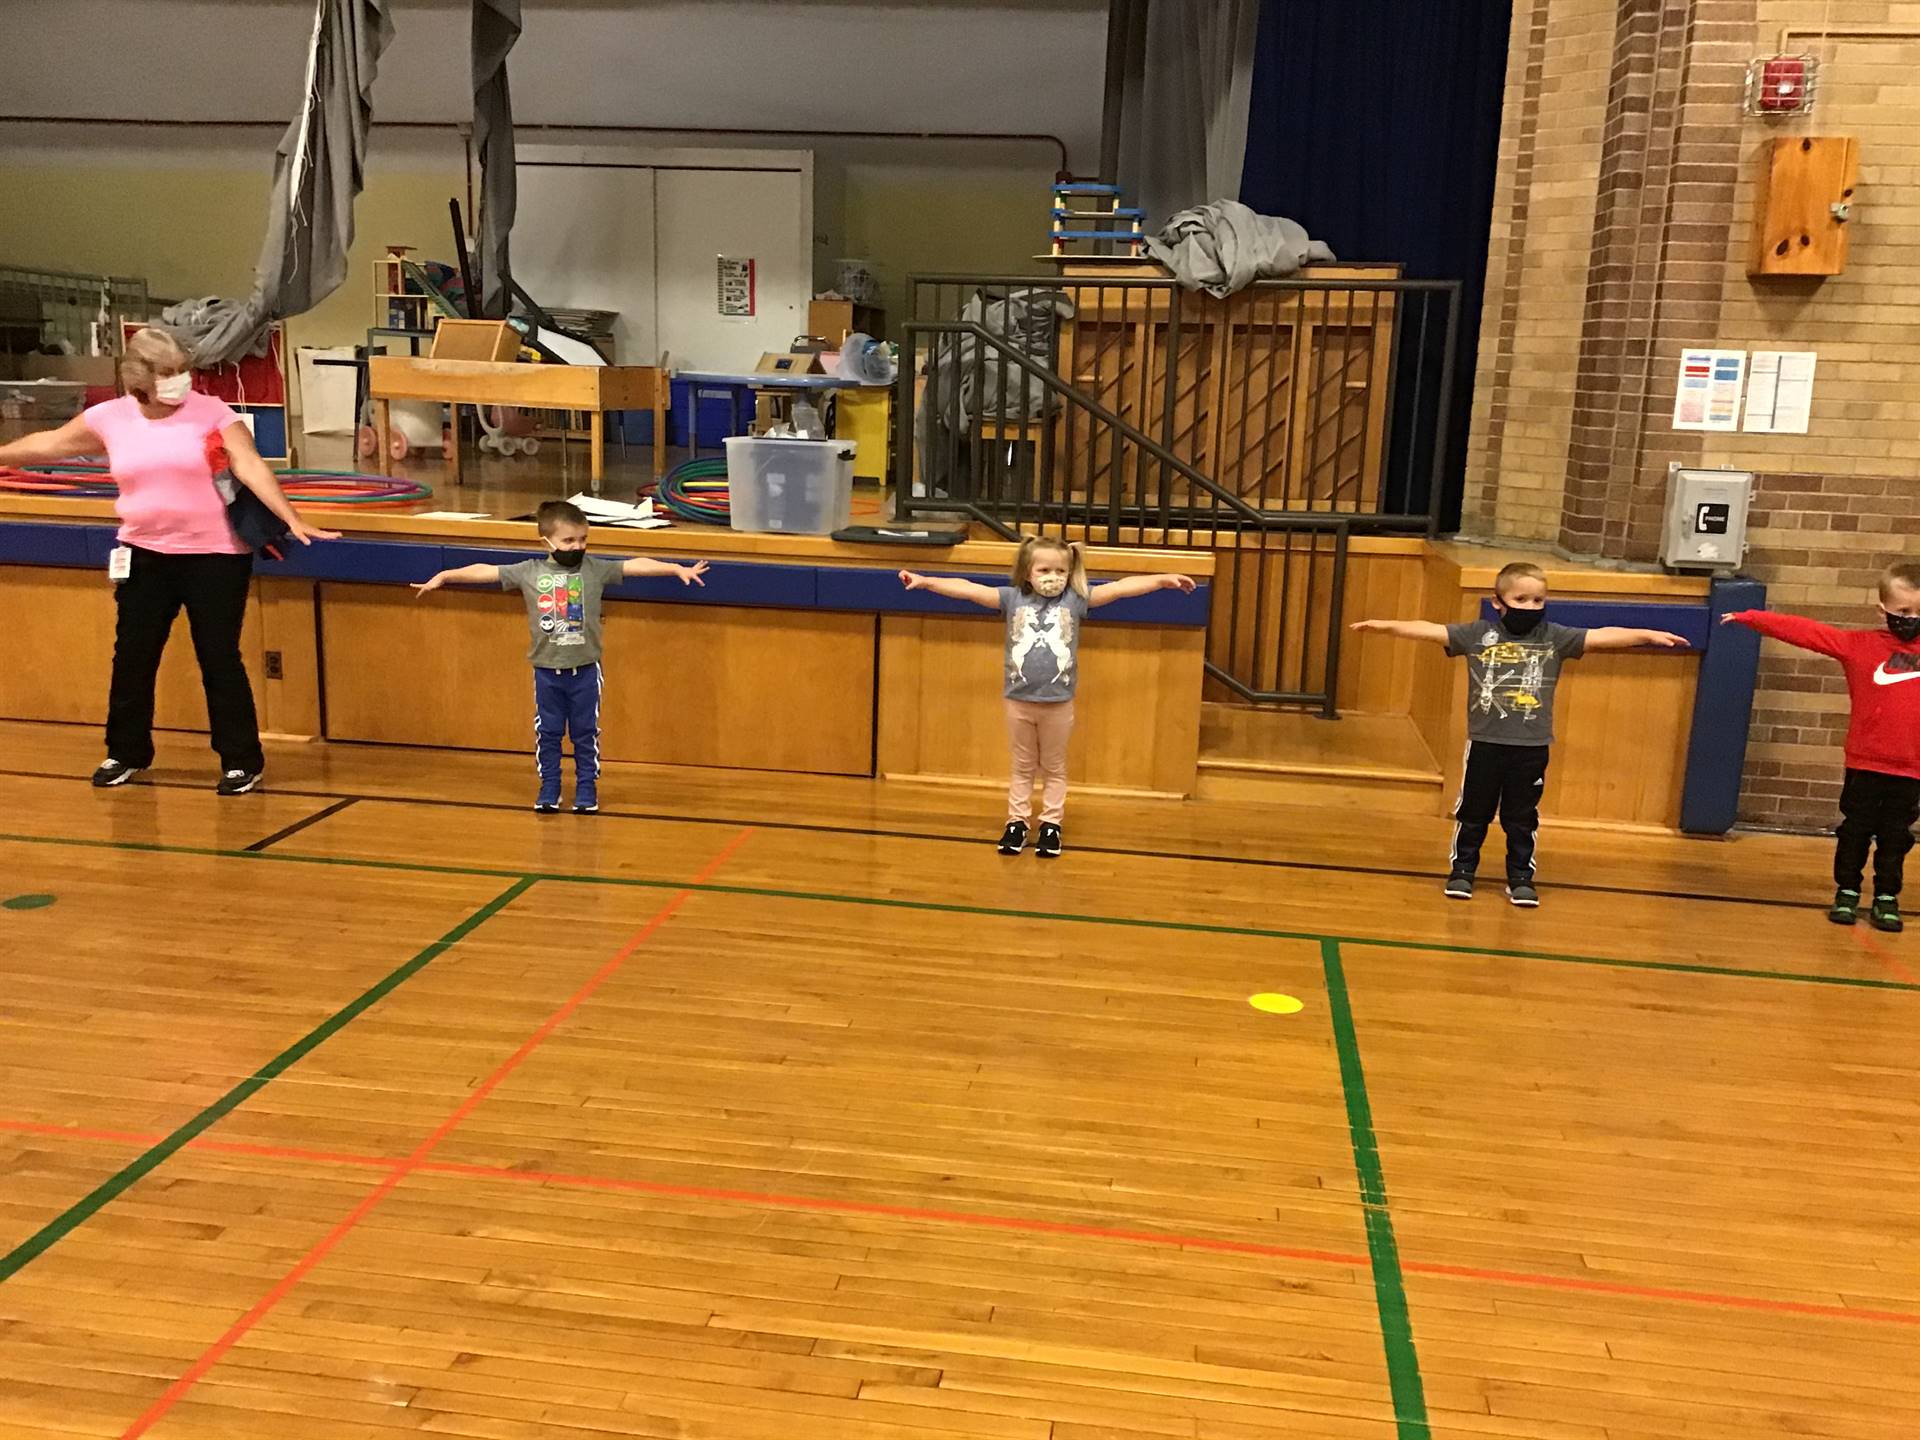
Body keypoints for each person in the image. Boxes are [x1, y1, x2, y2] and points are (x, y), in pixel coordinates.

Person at [0, 326, 337, 793]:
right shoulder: (111, 418)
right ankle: (125, 752)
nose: (180, 381)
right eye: (167, 373)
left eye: (183, 371)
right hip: (144, 554)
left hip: (215, 557)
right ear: (139, 377)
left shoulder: (213, 413)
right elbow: (49, 443)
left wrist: (291, 518)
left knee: (218, 657)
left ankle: (241, 760)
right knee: (133, 658)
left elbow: (250, 463)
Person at [1351, 560, 1689, 906]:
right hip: (1486, 743)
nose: (1530, 607)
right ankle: (1463, 871)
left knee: (1521, 816)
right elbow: (1430, 629)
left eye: (1538, 601)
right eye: (1521, 600)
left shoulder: (1555, 638)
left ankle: (1521, 877)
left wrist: (1646, 635)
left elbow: (1601, 635)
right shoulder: (1478, 635)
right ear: (1498, 602)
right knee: (1474, 811)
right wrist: (1385, 626)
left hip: (1531, 747)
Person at [900, 536, 1196, 858]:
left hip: (1058, 702)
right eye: (1044, 569)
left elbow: (1122, 588)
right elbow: (969, 589)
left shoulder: (1076, 600)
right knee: (1023, 766)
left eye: (1060, 570)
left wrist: (1163, 580)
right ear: (1028, 572)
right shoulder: (1011, 599)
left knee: (1053, 767)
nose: (1052, 576)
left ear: (1070, 573)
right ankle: (1017, 822)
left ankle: (1051, 824)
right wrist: (927, 581)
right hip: (1018, 700)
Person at [412, 500, 709, 813]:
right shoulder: (529, 571)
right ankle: (550, 786)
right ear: (547, 542)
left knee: (585, 733)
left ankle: (586, 788)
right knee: (549, 732)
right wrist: (447, 575)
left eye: (583, 540)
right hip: (546, 671)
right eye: (569, 541)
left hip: (585, 672)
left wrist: (675, 568)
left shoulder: (594, 568)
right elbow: (486, 571)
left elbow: (634, 565)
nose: (577, 547)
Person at [1723, 561, 1920, 932]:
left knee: (1896, 835)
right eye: (1904, 611)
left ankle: (1886, 896)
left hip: (1912, 768)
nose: (1912, 619)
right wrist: (1753, 617)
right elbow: (1807, 632)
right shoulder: (1860, 646)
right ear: (1884, 610)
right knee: (1856, 830)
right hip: (1866, 762)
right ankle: (1847, 890)